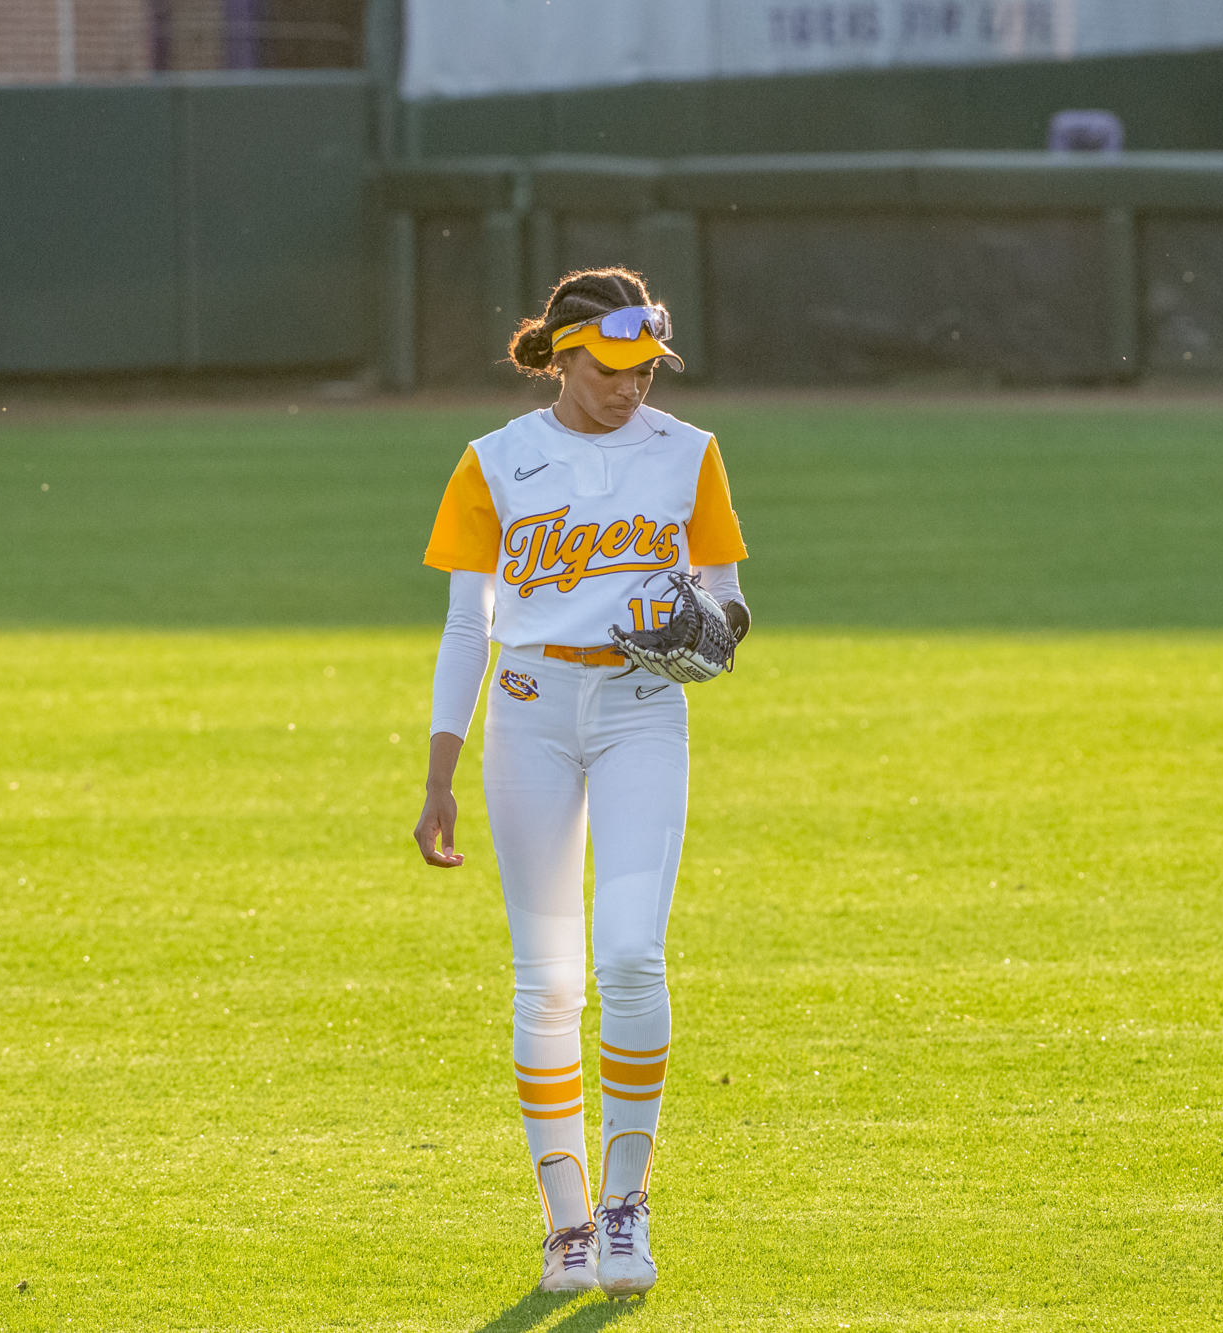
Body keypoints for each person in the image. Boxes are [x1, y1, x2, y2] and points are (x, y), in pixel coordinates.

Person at [412, 268, 750, 1296]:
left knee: (633, 954)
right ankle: (564, 1221)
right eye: (610, 368)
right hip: (529, 715)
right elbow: (470, 623)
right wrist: (440, 767)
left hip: (644, 712)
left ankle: (625, 1204)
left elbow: (729, 601)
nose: (631, 385)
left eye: (646, 366)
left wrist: (711, 635)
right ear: (560, 357)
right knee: (548, 976)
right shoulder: (495, 461)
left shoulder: (688, 454)